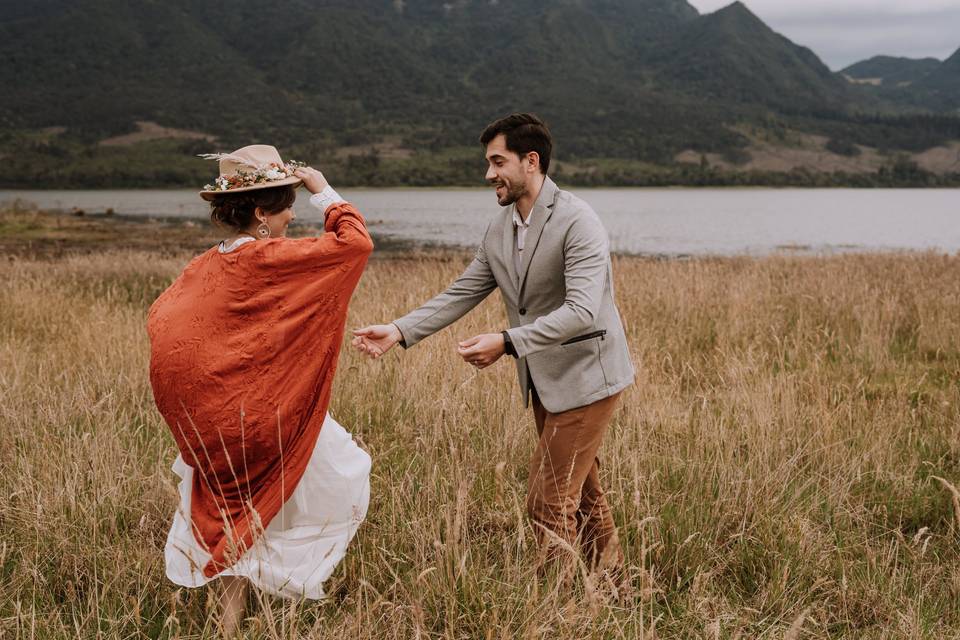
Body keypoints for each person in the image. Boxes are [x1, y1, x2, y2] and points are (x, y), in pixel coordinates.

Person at [352, 113, 635, 576]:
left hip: (588, 378)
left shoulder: (578, 221)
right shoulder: (501, 227)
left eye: (497, 162)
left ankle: (557, 612)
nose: (489, 174)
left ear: (530, 161)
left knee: (547, 503)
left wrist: (506, 341)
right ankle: (615, 585)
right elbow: (464, 289)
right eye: (488, 163)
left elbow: (584, 309)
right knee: (582, 494)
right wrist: (400, 330)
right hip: (546, 379)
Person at [147, 145, 373, 635]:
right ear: (259, 212)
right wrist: (322, 190)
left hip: (217, 423)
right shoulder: (271, 257)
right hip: (262, 416)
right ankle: (287, 599)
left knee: (242, 511)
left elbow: (164, 324)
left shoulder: (205, 265)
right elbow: (355, 245)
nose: (294, 213)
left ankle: (229, 624)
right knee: (344, 473)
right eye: (287, 203)